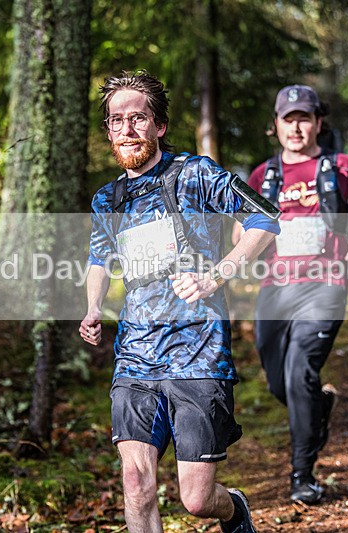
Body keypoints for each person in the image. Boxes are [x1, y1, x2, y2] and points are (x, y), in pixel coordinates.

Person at [79, 70, 279, 533]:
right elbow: (98, 260)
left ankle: (234, 508)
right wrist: (92, 307)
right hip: (135, 356)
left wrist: (217, 275)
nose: (127, 128)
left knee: (196, 498)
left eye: (137, 117)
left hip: (198, 354)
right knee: (135, 480)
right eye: (116, 120)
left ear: (158, 125)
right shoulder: (109, 198)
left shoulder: (194, 174)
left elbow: (266, 220)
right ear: (108, 130)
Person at [232, 84, 348, 505]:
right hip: (275, 289)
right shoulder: (262, 176)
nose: (297, 127)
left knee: (300, 371)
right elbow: (242, 227)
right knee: (278, 383)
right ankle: (318, 408)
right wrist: (240, 248)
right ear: (276, 127)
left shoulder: (341, 167)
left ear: (318, 123)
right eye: (289, 119)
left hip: (326, 285)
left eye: (304, 118)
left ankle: (302, 475)